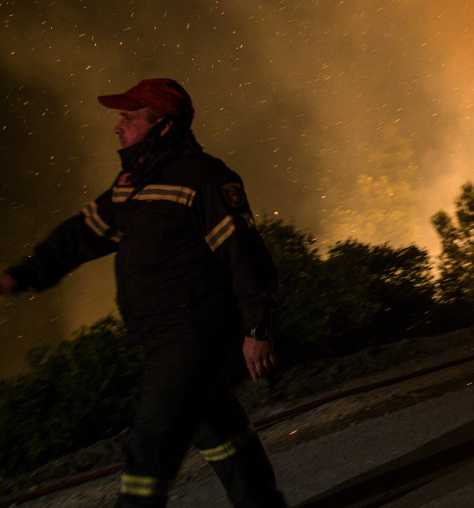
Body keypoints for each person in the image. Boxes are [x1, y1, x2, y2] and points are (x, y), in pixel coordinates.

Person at [0, 79, 286, 508]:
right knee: (217, 427)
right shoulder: (131, 184)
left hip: (193, 331)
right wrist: (22, 275)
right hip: (158, 335)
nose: (118, 127)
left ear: (164, 125)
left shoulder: (204, 178)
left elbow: (244, 254)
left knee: (151, 443)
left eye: (129, 117)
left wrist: (257, 326)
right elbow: (83, 234)